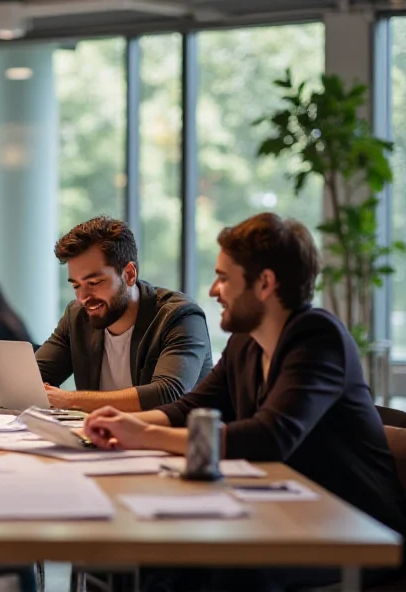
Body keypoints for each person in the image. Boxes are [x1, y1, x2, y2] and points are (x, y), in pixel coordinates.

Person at [83, 212, 406, 591]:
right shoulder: (246, 342)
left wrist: (144, 435)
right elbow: (191, 409)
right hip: (282, 516)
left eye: (224, 277)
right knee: (163, 559)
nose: (213, 290)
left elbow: (268, 438)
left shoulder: (318, 339)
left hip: (350, 529)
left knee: (220, 570)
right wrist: (125, 425)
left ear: (265, 283)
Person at [36, 216, 213, 413]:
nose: (83, 297)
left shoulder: (181, 316)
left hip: (170, 441)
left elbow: (167, 393)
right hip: (101, 439)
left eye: (94, 283)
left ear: (129, 274)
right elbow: (32, 378)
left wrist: (68, 399)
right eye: (76, 285)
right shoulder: (77, 316)